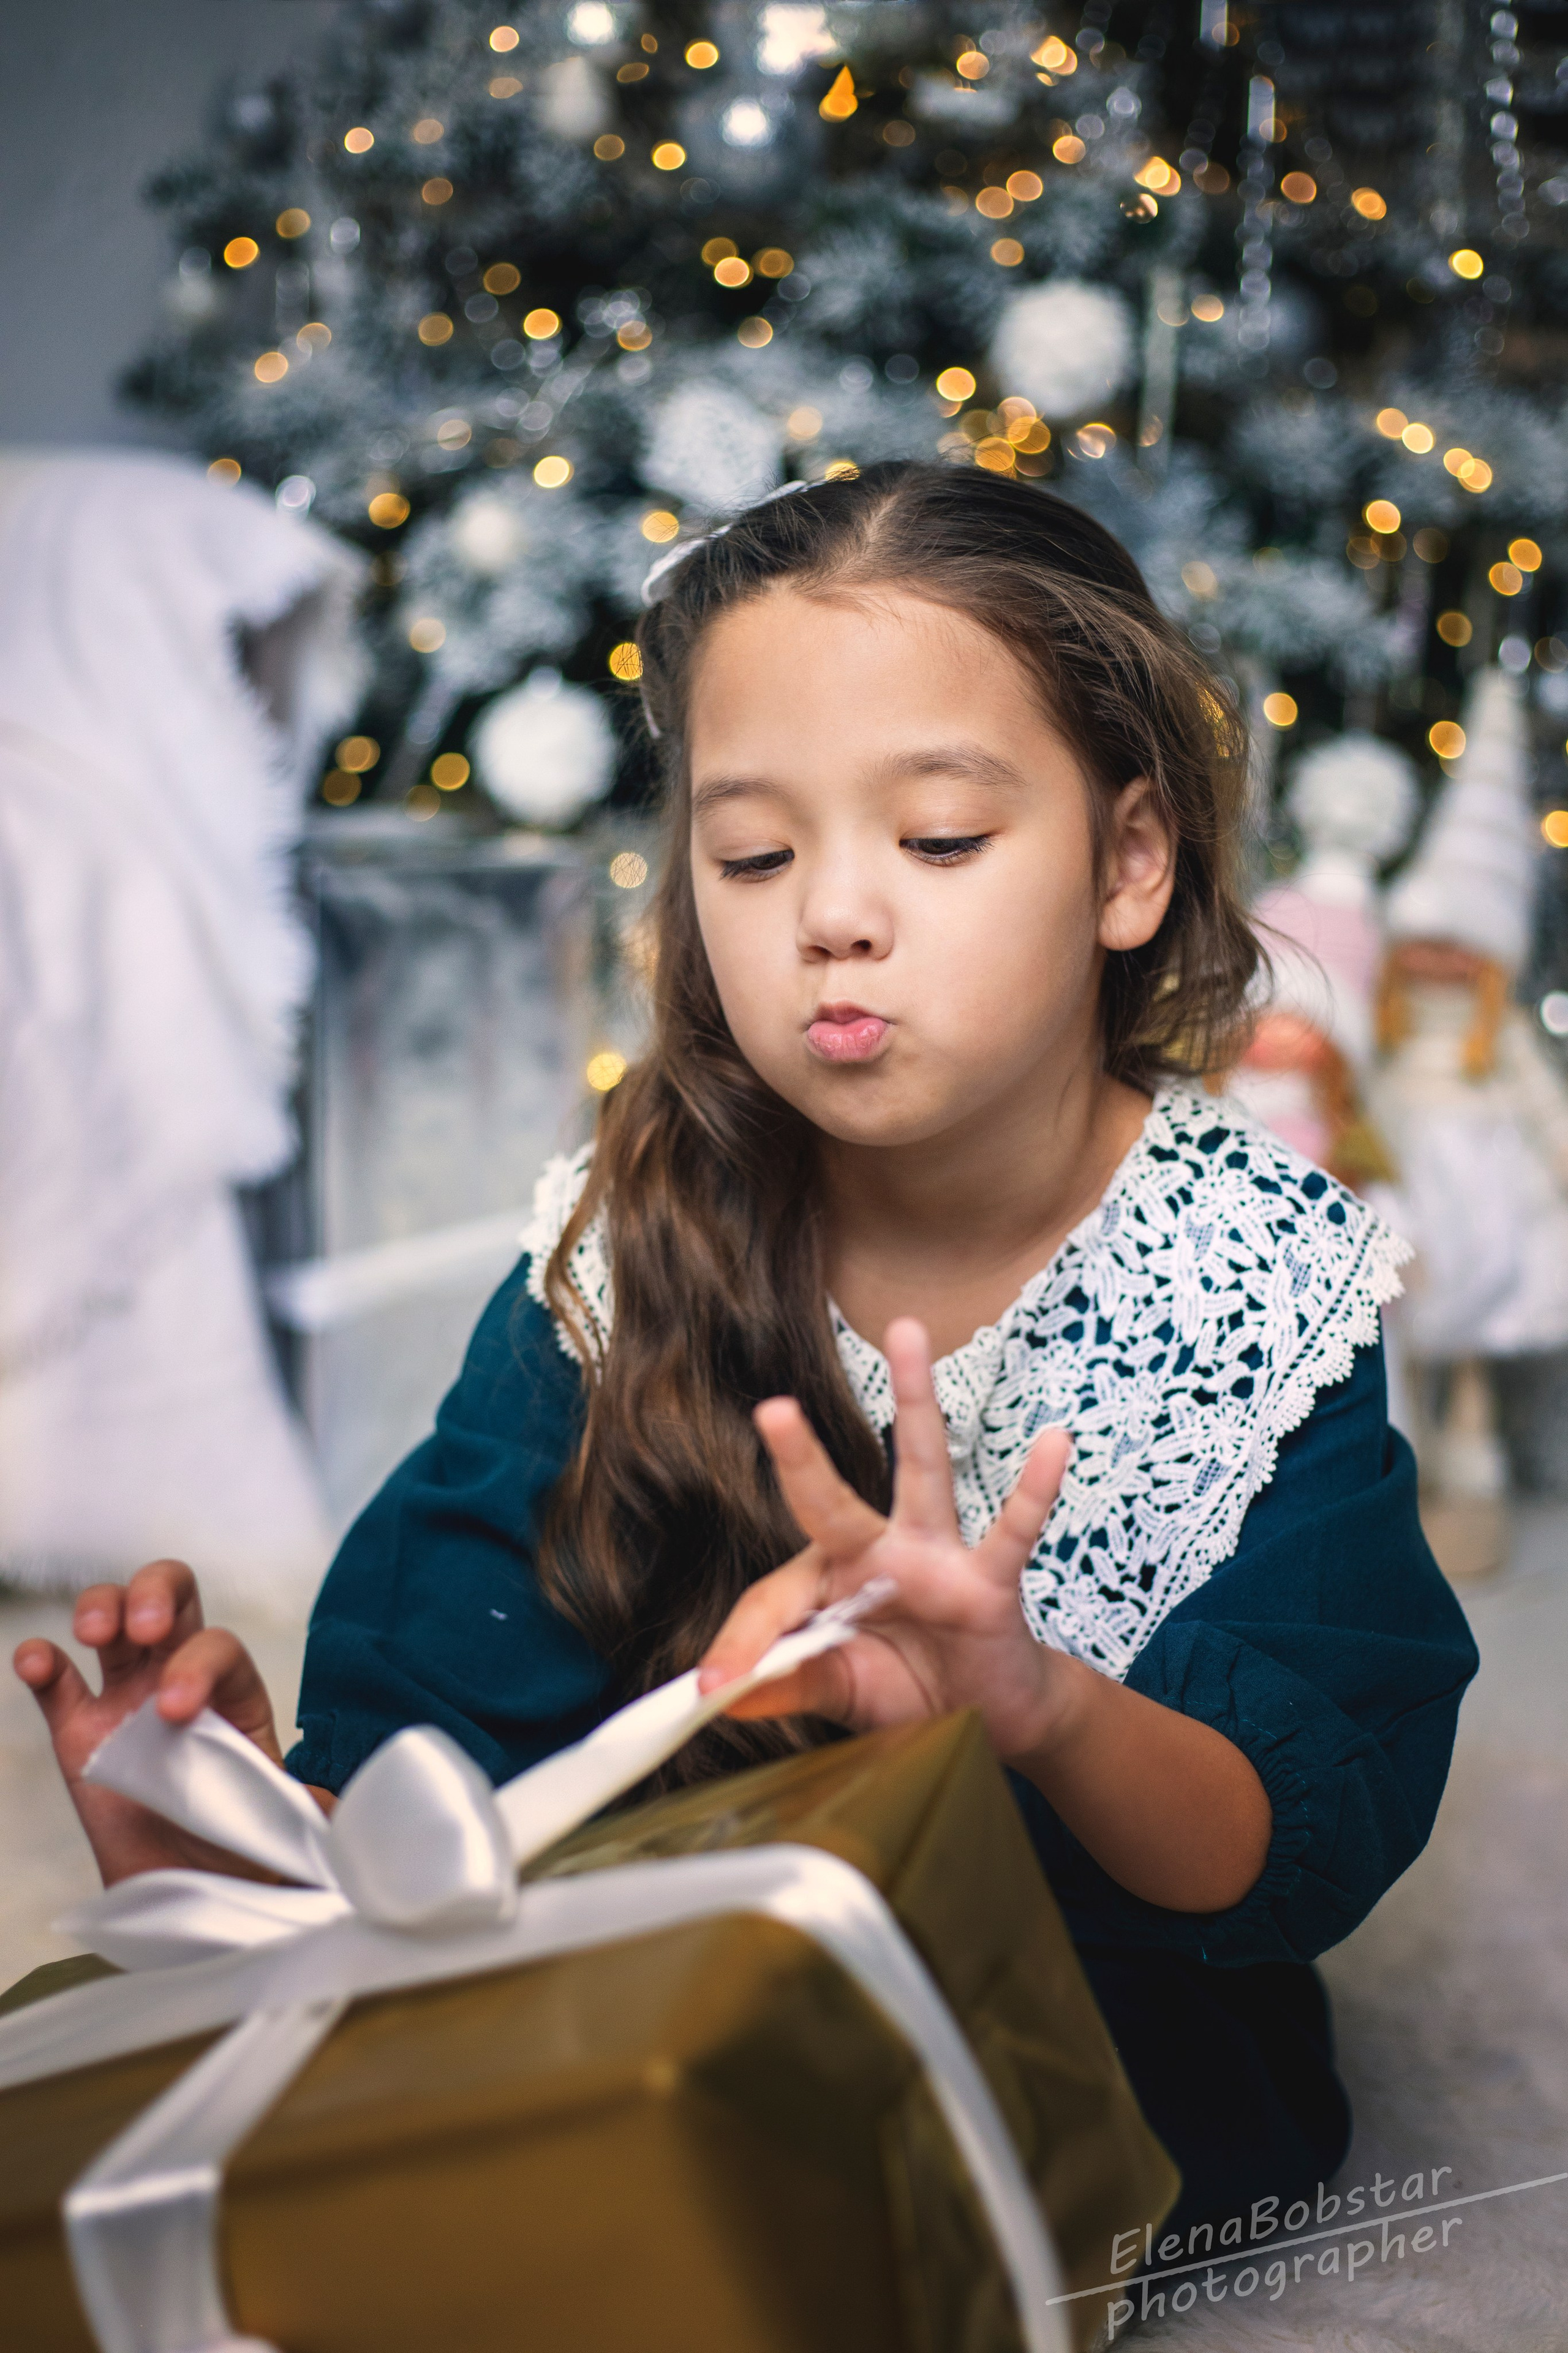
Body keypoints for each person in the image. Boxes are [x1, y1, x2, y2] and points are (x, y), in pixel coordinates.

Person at [14, 464, 1478, 2250]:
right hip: (660, 2016)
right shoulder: (637, 1241)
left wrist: (1033, 1700)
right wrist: (252, 1822)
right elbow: (455, 1693)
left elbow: (1293, 1836)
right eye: (754, 852)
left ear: (1129, 862)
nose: (831, 917)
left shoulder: (1259, 1277)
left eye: (936, 840)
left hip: (1090, 2074)